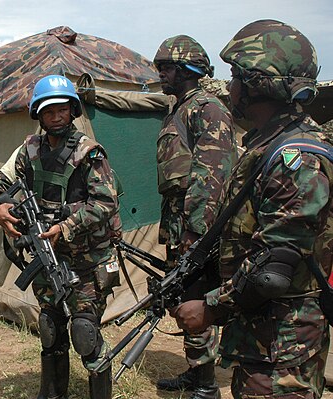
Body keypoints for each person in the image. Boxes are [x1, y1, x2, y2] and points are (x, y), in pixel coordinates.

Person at [171, 19, 333, 398]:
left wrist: (210, 308)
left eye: (235, 76)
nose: (229, 87)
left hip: (284, 340)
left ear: (258, 83)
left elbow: (274, 268)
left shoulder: (297, 157)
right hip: (265, 331)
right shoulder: (269, 145)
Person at [0, 75, 122, 399]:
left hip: (87, 260)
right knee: (50, 328)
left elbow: (106, 202)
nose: (56, 116)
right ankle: (52, 392)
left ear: (72, 111)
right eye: (49, 111)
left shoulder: (90, 153)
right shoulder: (28, 150)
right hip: (46, 256)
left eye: (62, 110)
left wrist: (66, 227)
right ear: (39, 115)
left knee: (85, 333)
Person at [152, 35, 237, 399]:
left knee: (197, 297)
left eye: (167, 68)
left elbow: (211, 175)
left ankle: (206, 387)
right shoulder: (179, 108)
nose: (161, 74)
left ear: (188, 69)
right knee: (183, 299)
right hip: (180, 224)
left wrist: (196, 233)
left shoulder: (208, 108)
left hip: (197, 230)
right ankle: (196, 371)